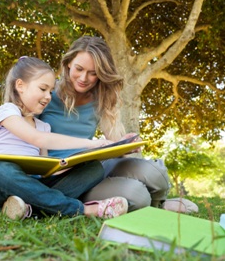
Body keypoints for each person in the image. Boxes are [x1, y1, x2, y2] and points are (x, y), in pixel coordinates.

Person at [39, 35, 170, 212]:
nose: (84, 78)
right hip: (65, 177)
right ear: (68, 63)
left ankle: (161, 204)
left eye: (93, 73)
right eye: (79, 69)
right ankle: (87, 202)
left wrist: (126, 145)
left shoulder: (101, 98)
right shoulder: (46, 93)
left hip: (92, 164)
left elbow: (113, 142)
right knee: (137, 195)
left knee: (155, 173)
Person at [0, 56, 128, 220]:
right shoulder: (8, 112)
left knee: (94, 169)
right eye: (43, 89)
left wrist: (68, 165)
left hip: (30, 187)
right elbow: (37, 139)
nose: (48, 96)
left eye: (50, 91)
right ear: (20, 85)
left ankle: (26, 209)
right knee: (0, 170)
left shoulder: (43, 126)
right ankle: (84, 209)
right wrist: (91, 144)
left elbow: (44, 170)